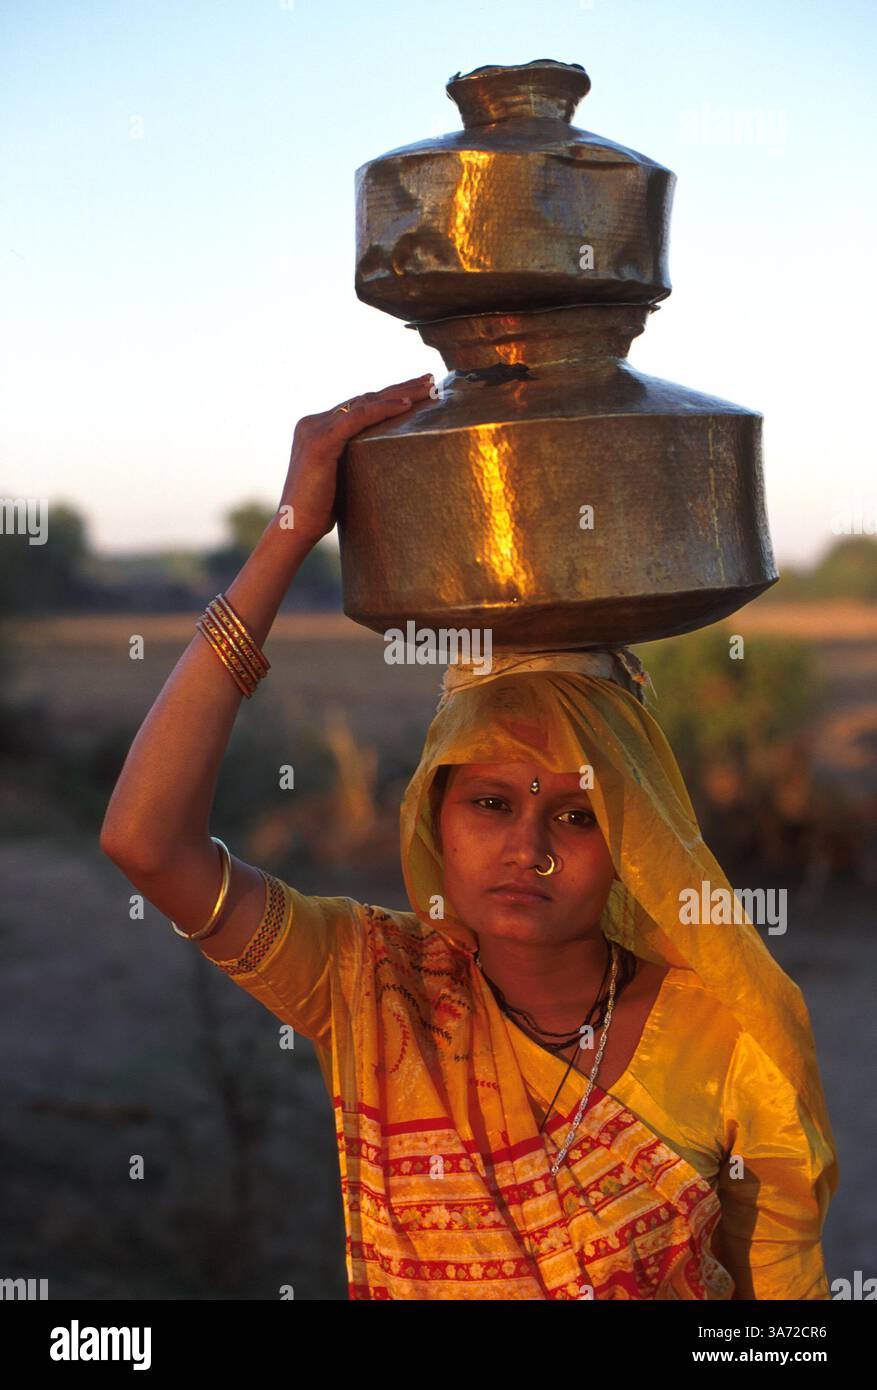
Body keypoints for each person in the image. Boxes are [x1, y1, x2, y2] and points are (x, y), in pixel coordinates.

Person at [101, 374, 838, 1301]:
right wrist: (292, 529)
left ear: (631, 842)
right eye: (490, 803)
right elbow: (146, 842)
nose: (527, 847)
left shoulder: (726, 1036)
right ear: (432, 814)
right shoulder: (371, 985)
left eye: (574, 815)